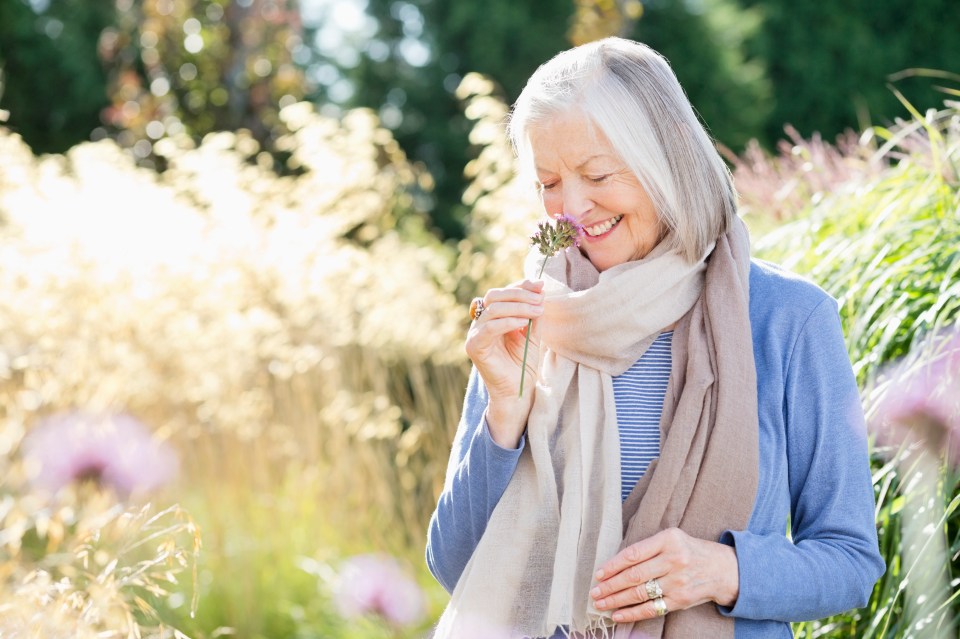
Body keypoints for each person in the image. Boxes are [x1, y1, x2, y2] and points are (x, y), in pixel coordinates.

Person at [425, 37, 884, 638]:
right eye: (549, 183)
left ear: (665, 160)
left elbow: (851, 561)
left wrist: (725, 571)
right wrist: (504, 417)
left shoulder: (787, 319)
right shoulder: (533, 319)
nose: (572, 207)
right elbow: (458, 568)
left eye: (595, 174)